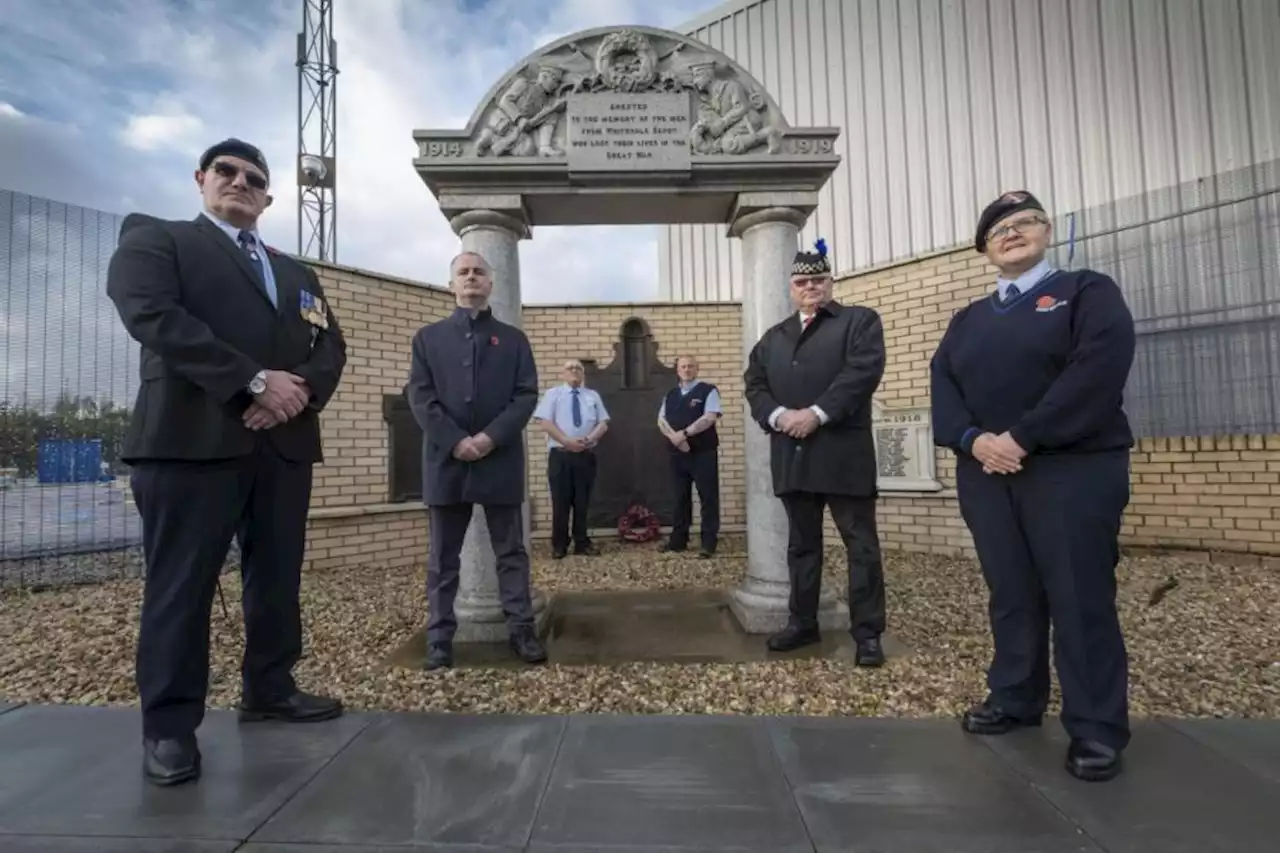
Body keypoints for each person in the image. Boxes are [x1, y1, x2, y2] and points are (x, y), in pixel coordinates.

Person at [105, 138, 347, 787]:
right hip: (191, 441)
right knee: (181, 587)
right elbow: (153, 315)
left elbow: (330, 346)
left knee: (275, 579)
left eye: (254, 178)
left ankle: (270, 686)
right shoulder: (158, 239)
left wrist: (294, 395)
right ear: (201, 179)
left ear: (268, 196)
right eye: (226, 171)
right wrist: (251, 382)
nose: (239, 182)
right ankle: (170, 727)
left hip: (282, 445)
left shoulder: (296, 272)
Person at [929, 190, 1137, 782]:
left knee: (1078, 594)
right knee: (1012, 591)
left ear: (1045, 231)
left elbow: (1097, 369)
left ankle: (1096, 728)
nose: (1012, 233)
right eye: (999, 228)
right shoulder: (966, 320)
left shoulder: (1085, 292)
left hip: (1070, 469)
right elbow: (943, 386)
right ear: (985, 248)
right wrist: (972, 440)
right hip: (987, 473)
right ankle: (1016, 697)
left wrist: (1022, 437)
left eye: (1024, 222)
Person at [743, 239, 888, 667]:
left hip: (843, 454)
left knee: (860, 545)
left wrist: (818, 414)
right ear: (791, 286)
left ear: (830, 282)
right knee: (802, 547)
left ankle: (868, 633)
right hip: (793, 454)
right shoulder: (773, 338)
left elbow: (861, 374)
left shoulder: (859, 322)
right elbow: (754, 385)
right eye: (803, 281)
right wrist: (779, 415)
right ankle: (802, 621)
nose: (811, 287)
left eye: (818, 280)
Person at [406, 250, 546, 671]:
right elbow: (420, 396)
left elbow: (525, 395)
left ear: (490, 284)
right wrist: (455, 441)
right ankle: (439, 640)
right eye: (463, 272)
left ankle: (521, 630)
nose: (470, 278)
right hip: (445, 462)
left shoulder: (514, 339)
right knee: (443, 559)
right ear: (451, 284)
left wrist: (488, 438)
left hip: (499, 460)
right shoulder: (427, 339)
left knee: (511, 552)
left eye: (478, 272)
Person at [531, 359, 609, 559]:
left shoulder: (592, 396)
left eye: (578, 368)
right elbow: (545, 423)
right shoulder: (553, 394)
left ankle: (582, 542)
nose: (574, 371)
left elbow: (603, 423)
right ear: (563, 374)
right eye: (570, 368)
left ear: (583, 374)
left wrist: (589, 439)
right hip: (561, 456)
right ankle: (559, 545)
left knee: (582, 502)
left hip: (585, 454)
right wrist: (566, 441)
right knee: (561, 502)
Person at [656, 355, 721, 558]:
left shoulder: (708, 390)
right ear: (677, 370)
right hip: (677, 454)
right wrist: (675, 439)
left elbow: (710, 417)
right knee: (680, 498)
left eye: (691, 366)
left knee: (708, 498)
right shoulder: (671, 394)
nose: (687, 369)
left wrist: (684, 435)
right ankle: (678, 541)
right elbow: (661, 420)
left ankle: (708, 543)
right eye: (683, 366)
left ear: (697, 369)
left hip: (703, 453)